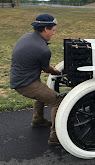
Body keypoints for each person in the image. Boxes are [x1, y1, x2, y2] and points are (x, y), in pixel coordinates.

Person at [10, 14, 62, 145]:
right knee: (58, 100)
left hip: (17, 78)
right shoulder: (43, 49)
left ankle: (37, 120)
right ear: (46, 29)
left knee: (43, 92)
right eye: (53, 30)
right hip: (26, 84)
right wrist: (57, 71)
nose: (54, 33)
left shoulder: (25, 37)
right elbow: (47, 69)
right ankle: (55, 136)